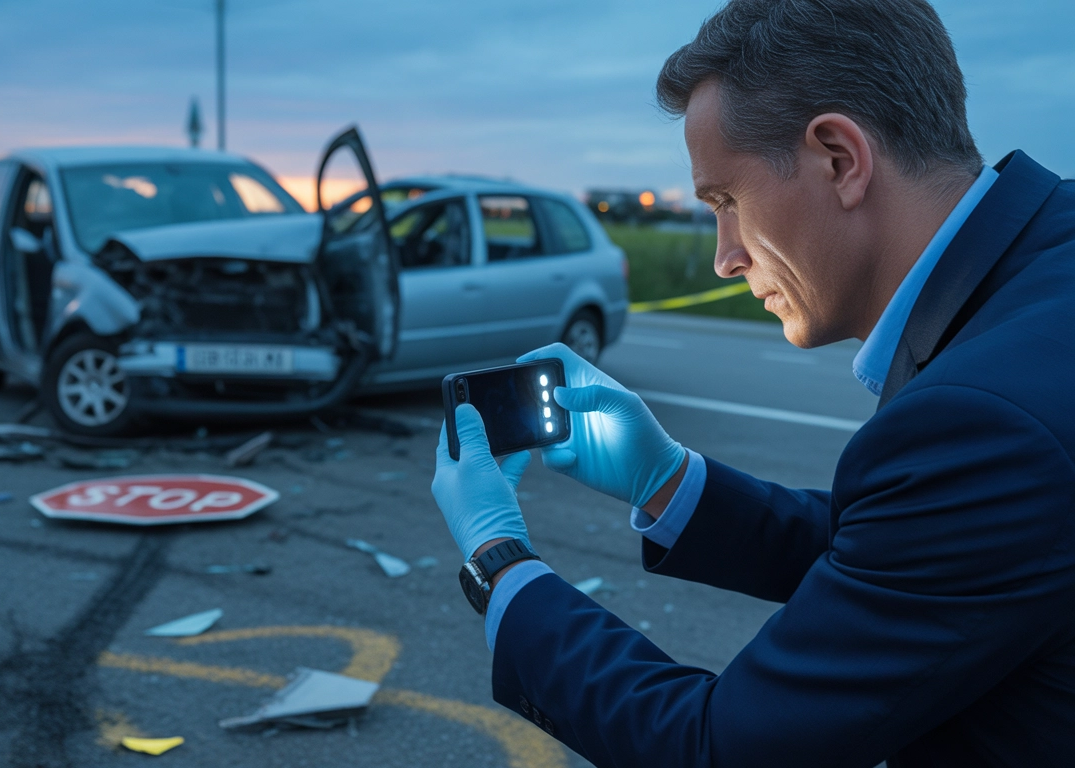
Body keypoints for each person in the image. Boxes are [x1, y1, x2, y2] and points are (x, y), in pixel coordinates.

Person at [429, 1, 1075, 765]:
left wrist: (499, 560)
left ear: (840, 159)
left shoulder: (983, 419)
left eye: (727, 201)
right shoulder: (1043, 267)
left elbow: (721, 748)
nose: (724, 258)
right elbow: (912, 555)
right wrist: (667, 481)